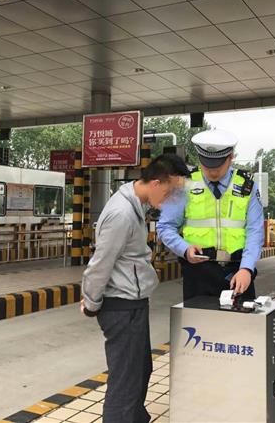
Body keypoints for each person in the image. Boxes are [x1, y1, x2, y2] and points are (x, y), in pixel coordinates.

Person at [80, 153, 190, 423]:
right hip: (121, 308)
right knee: (125, 383)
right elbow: (100, 263)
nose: (171, 200)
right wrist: (91, 303)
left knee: (140, 371)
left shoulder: (136, 207)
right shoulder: (122, 214)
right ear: (156, 183)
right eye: (171, 192)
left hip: (133, 305)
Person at [157, 129, 264, 301]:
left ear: (231, 157)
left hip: (237, 272)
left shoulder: (247, 186)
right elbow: (165, 226)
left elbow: (255, 231)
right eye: (207, 165)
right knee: (198, 319)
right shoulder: (184, 185)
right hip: (198, 273)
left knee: (241, 319)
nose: (212, 172)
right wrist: (184, 249)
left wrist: (247, 269)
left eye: (218, 166)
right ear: (199, 158)